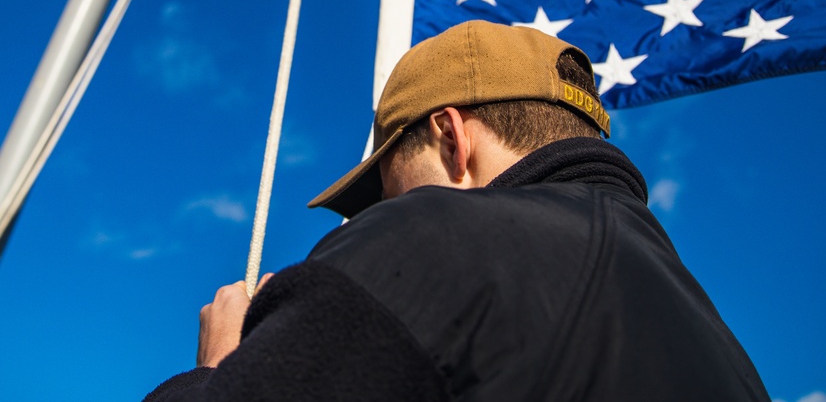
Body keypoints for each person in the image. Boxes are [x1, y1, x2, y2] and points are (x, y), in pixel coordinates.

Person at [144, 20, 769, 401]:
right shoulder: (724, 348)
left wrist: (218, 372)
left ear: (451, 137)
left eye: (389, 186)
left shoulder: (432, 235)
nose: (375, 214)